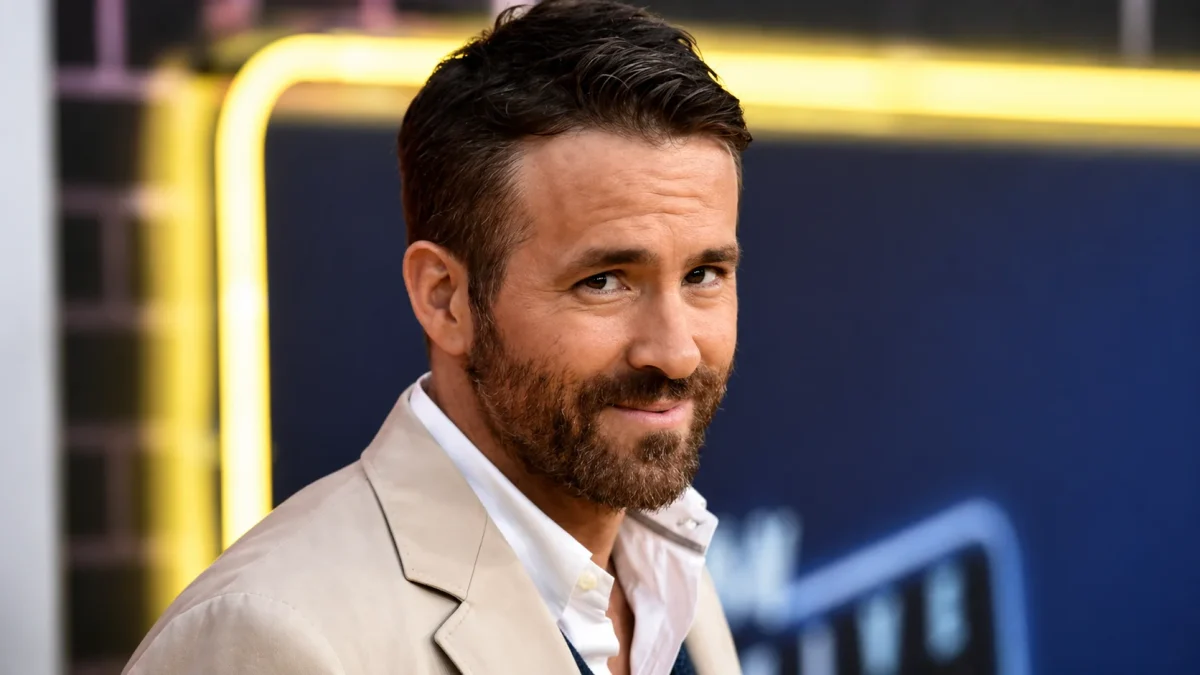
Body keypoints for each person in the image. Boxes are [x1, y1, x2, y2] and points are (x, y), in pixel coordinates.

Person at [123, 1, 752, 673]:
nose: (676, 351)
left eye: (703, 275)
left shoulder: (668, 568)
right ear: (444, 298)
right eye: (603, 282)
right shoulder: (272, 636)